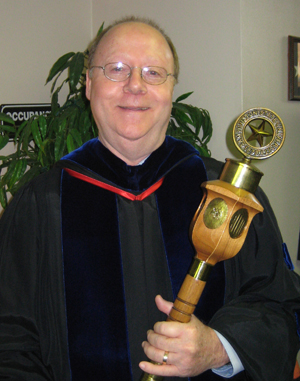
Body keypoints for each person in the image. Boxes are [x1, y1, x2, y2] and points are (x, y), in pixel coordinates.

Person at [0, 16, 299, 381]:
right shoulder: (41, 201)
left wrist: (218, 347)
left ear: (172, 89)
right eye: (117, 69)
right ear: (89, 85)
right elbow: (10, 339)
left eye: (154, 73)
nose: (135, 86)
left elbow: (277, 305)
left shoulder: (229, 192)